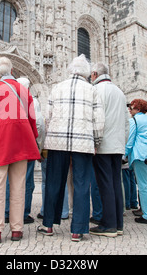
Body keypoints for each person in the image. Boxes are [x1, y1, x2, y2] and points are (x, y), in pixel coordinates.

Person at [37, 54, 105, 242]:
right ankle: (78, 230)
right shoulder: (92, 90)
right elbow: (98, 120)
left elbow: (48, 116)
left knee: (53, 182)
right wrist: (96, 142)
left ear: (70, 70)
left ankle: (48, 224)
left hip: (57, 142)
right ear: (85, 72)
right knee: (82, 184)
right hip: (83, 142)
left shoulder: (57, 88)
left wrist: (50, 136)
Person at [0, 56, 40, 244]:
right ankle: (17, 229)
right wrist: (33, 136)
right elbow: (32, 119)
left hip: (0, 141)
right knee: (18, 186)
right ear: (13, 71)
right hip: (22, 142)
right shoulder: (24, 91)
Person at [89, 63, 127, 237]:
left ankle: (108, 225)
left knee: (104, 184)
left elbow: (97, 119)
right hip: (118, 146)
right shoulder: (119, 92)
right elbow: (126, 123)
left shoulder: (97, 90)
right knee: (115, 184)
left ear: (95, 73)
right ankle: (118, 223)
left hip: (103, 145)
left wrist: (94, 143)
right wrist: (123, 145)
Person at [4, 77, 45, 224]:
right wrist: (37, 144)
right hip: (26, 145)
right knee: (26, 180)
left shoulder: (7, 99)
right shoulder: (31, 101)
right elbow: (39, 123)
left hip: (9, 145)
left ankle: (7, 212)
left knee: (10, 178)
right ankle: (23, 213)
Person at [125, 99, 147, 225]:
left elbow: (130, 139)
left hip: (140, 155)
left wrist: (125, 154)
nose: (130, 109)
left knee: (142, 185)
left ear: (138, 109)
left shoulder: (134, 120)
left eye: (132, 107)